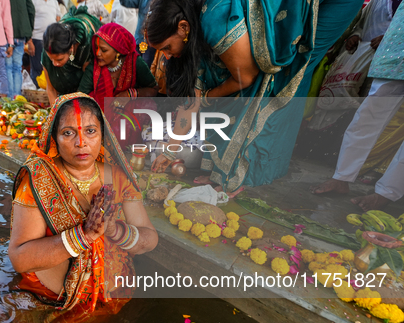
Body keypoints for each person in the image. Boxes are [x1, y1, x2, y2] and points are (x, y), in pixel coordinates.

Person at [144, 0, 363, 192]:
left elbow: (245, 78)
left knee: (288, 76)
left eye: (166, 47)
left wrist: (209, 95)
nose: (165, 56)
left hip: (326, 5)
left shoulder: (215, 21)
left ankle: (251, 171)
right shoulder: (192, 35)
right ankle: (231, 168)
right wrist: (169, 151)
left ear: (183, 28)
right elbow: (191, 104)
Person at [7, 92, 158, 323]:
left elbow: (150, 239)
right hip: (50, 302)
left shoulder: (117, 176)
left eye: (90, 131)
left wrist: (114, 231)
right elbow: (20, 259)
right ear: (54, 138)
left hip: (113, 295)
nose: (81, 143)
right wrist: (84, 235)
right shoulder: (39, 180)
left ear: (103, 134)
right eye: (68, 133)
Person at [311, 2, 404, 211]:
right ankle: (341, 177)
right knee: (367, 116)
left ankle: (386, 193)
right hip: (394, 54)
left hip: (392, 50)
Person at [79, 22, 157, 111]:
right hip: (100, 115)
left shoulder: (135, 62)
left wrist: (129, 95)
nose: (98, 54)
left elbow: (153, 89)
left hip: (129, 113)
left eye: (103, 50)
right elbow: (80, 97)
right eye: (97, 48)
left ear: (118, 51)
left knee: (149, 105)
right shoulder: (94, 67)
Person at [42, 7, 101, 104]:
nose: (55, 64)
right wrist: (55, 115)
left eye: (59, 59)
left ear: (71, 49)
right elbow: (51, 89)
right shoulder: (49, 49)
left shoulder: (86, 47)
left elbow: (84, 89)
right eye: (51, 59)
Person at [30, 0, 63, 88]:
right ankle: (36, 92)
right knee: (37, 67)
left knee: (51, 67)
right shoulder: (34, 1)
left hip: (52, 40)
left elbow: (58, 18)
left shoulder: (54, 1)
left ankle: (49, 91)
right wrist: (29, 41)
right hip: (37, 38)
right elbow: (29, 17)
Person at [7, 0, 36, 99]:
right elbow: (31, 10)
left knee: (8, 67)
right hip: (21, 33)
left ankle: (9, 98)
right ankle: (17, 97)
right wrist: (28, 31)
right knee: (17, 67)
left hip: (6, 33)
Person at [120, 0, 154, 66]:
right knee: (135, 65)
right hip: (139, 39)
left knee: (146, 66)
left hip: (152, 42)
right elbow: (127, 2)